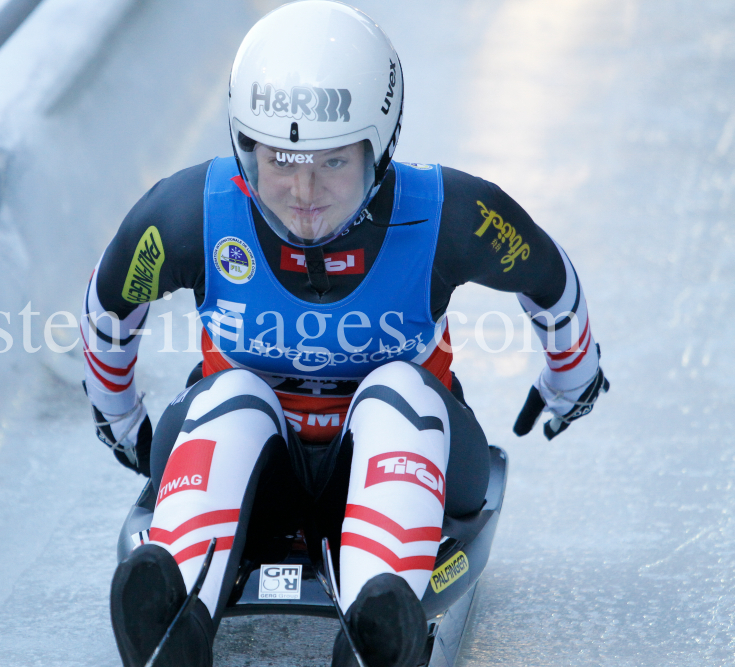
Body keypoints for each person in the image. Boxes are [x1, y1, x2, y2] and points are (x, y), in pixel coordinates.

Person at [81, 2, 609, 665]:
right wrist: (121, 417)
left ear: (378, 145)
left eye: (332, 162)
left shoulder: (448, 214)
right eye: (280, 159)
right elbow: (110, 305)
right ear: (245, 147)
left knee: (396, 389)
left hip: (406, 455)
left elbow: (546, 276)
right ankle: (175, 609)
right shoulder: (191, 215)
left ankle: (377, 625)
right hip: (257, 473)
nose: (303, 191)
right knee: (231, 394)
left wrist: (573, 375)